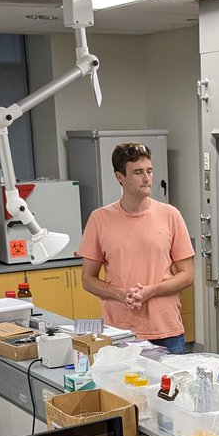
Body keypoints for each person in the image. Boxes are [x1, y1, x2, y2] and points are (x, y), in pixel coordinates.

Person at [79, 142, 195, 354]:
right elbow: (88, 279)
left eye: (149, 171)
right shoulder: (99, 219)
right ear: (120, 177)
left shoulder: (171, 215)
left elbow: (187, 275)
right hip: (120, 332)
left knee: (172, 377)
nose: (146, 178)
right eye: (138, 172)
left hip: (166, 330)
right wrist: (121, 294)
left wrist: (152, 291)